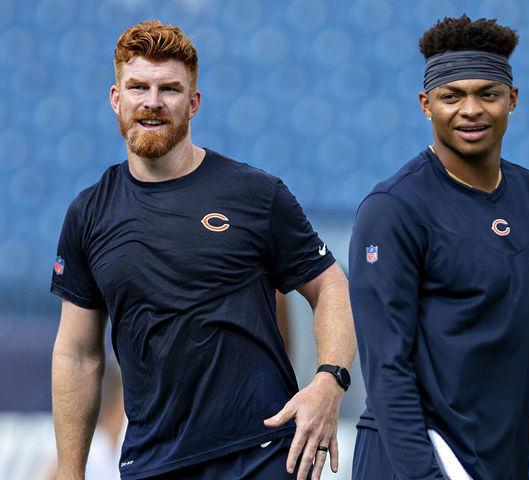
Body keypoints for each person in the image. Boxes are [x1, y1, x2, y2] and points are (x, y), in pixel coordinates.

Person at [50, 20, 356, 480]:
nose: (152, 102)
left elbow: (330, 284)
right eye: (138, 87)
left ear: (193, 104)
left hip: (265, 454)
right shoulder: (88, 214)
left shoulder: (256, 194)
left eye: (169, 89)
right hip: (153, 464)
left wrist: (329, 381)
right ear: (117, 99)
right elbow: (78, 354)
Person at [348, 14, 529, 480]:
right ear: (426, 104)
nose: (470, 110)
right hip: (414, 460)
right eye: (451, 96)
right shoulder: (392, 208)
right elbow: (387, 368)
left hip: (498, 462)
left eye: (487, 93)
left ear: (512, 99)